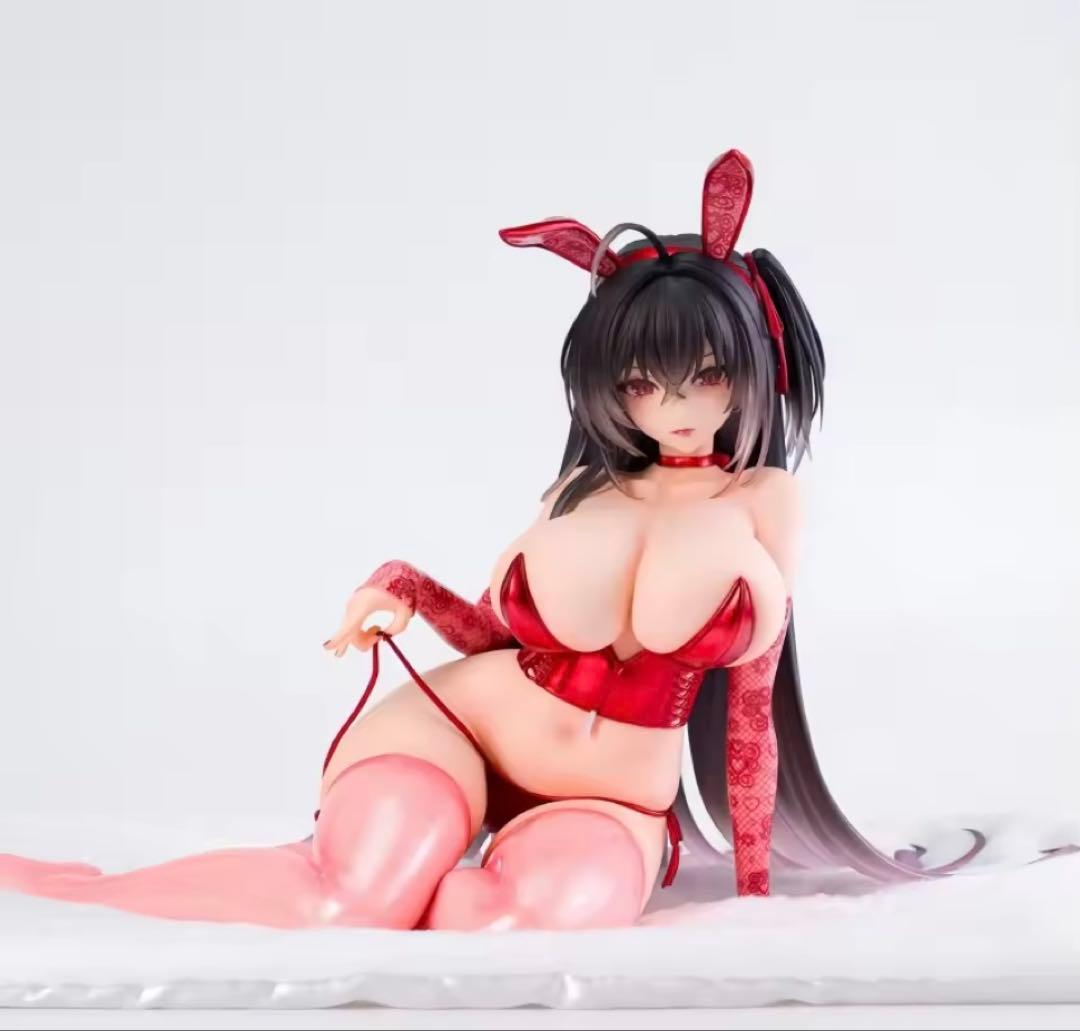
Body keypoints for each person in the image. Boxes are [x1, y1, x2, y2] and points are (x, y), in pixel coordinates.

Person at [2, 148, 1047, 932]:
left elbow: (750, 713)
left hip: (613, 803)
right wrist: (400, 586)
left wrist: (755, 890)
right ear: (608, 388)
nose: (676, 406)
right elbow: (492, 635)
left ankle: (423, 871)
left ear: (751, 364)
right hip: (453, 727)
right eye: (641, 383)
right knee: (348, 898)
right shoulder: (581, 488)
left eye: (704, 376)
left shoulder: (764, 501)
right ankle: (69, 887)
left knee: (511, 920)